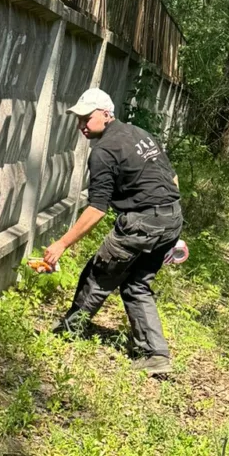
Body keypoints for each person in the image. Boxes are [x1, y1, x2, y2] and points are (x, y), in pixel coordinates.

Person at [42, 88, 183, 376]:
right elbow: (172, 178)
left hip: (141, 224)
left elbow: (97, 209)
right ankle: (156, 354)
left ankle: (70, 330)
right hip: (172, 217)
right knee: (136, 285)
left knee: (99, 273)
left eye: (87, 118)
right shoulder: (139, 133)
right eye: (79, 119)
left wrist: (61, 245)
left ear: (106, 114)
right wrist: (171, 231)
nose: (82, 125)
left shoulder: (103, 152)